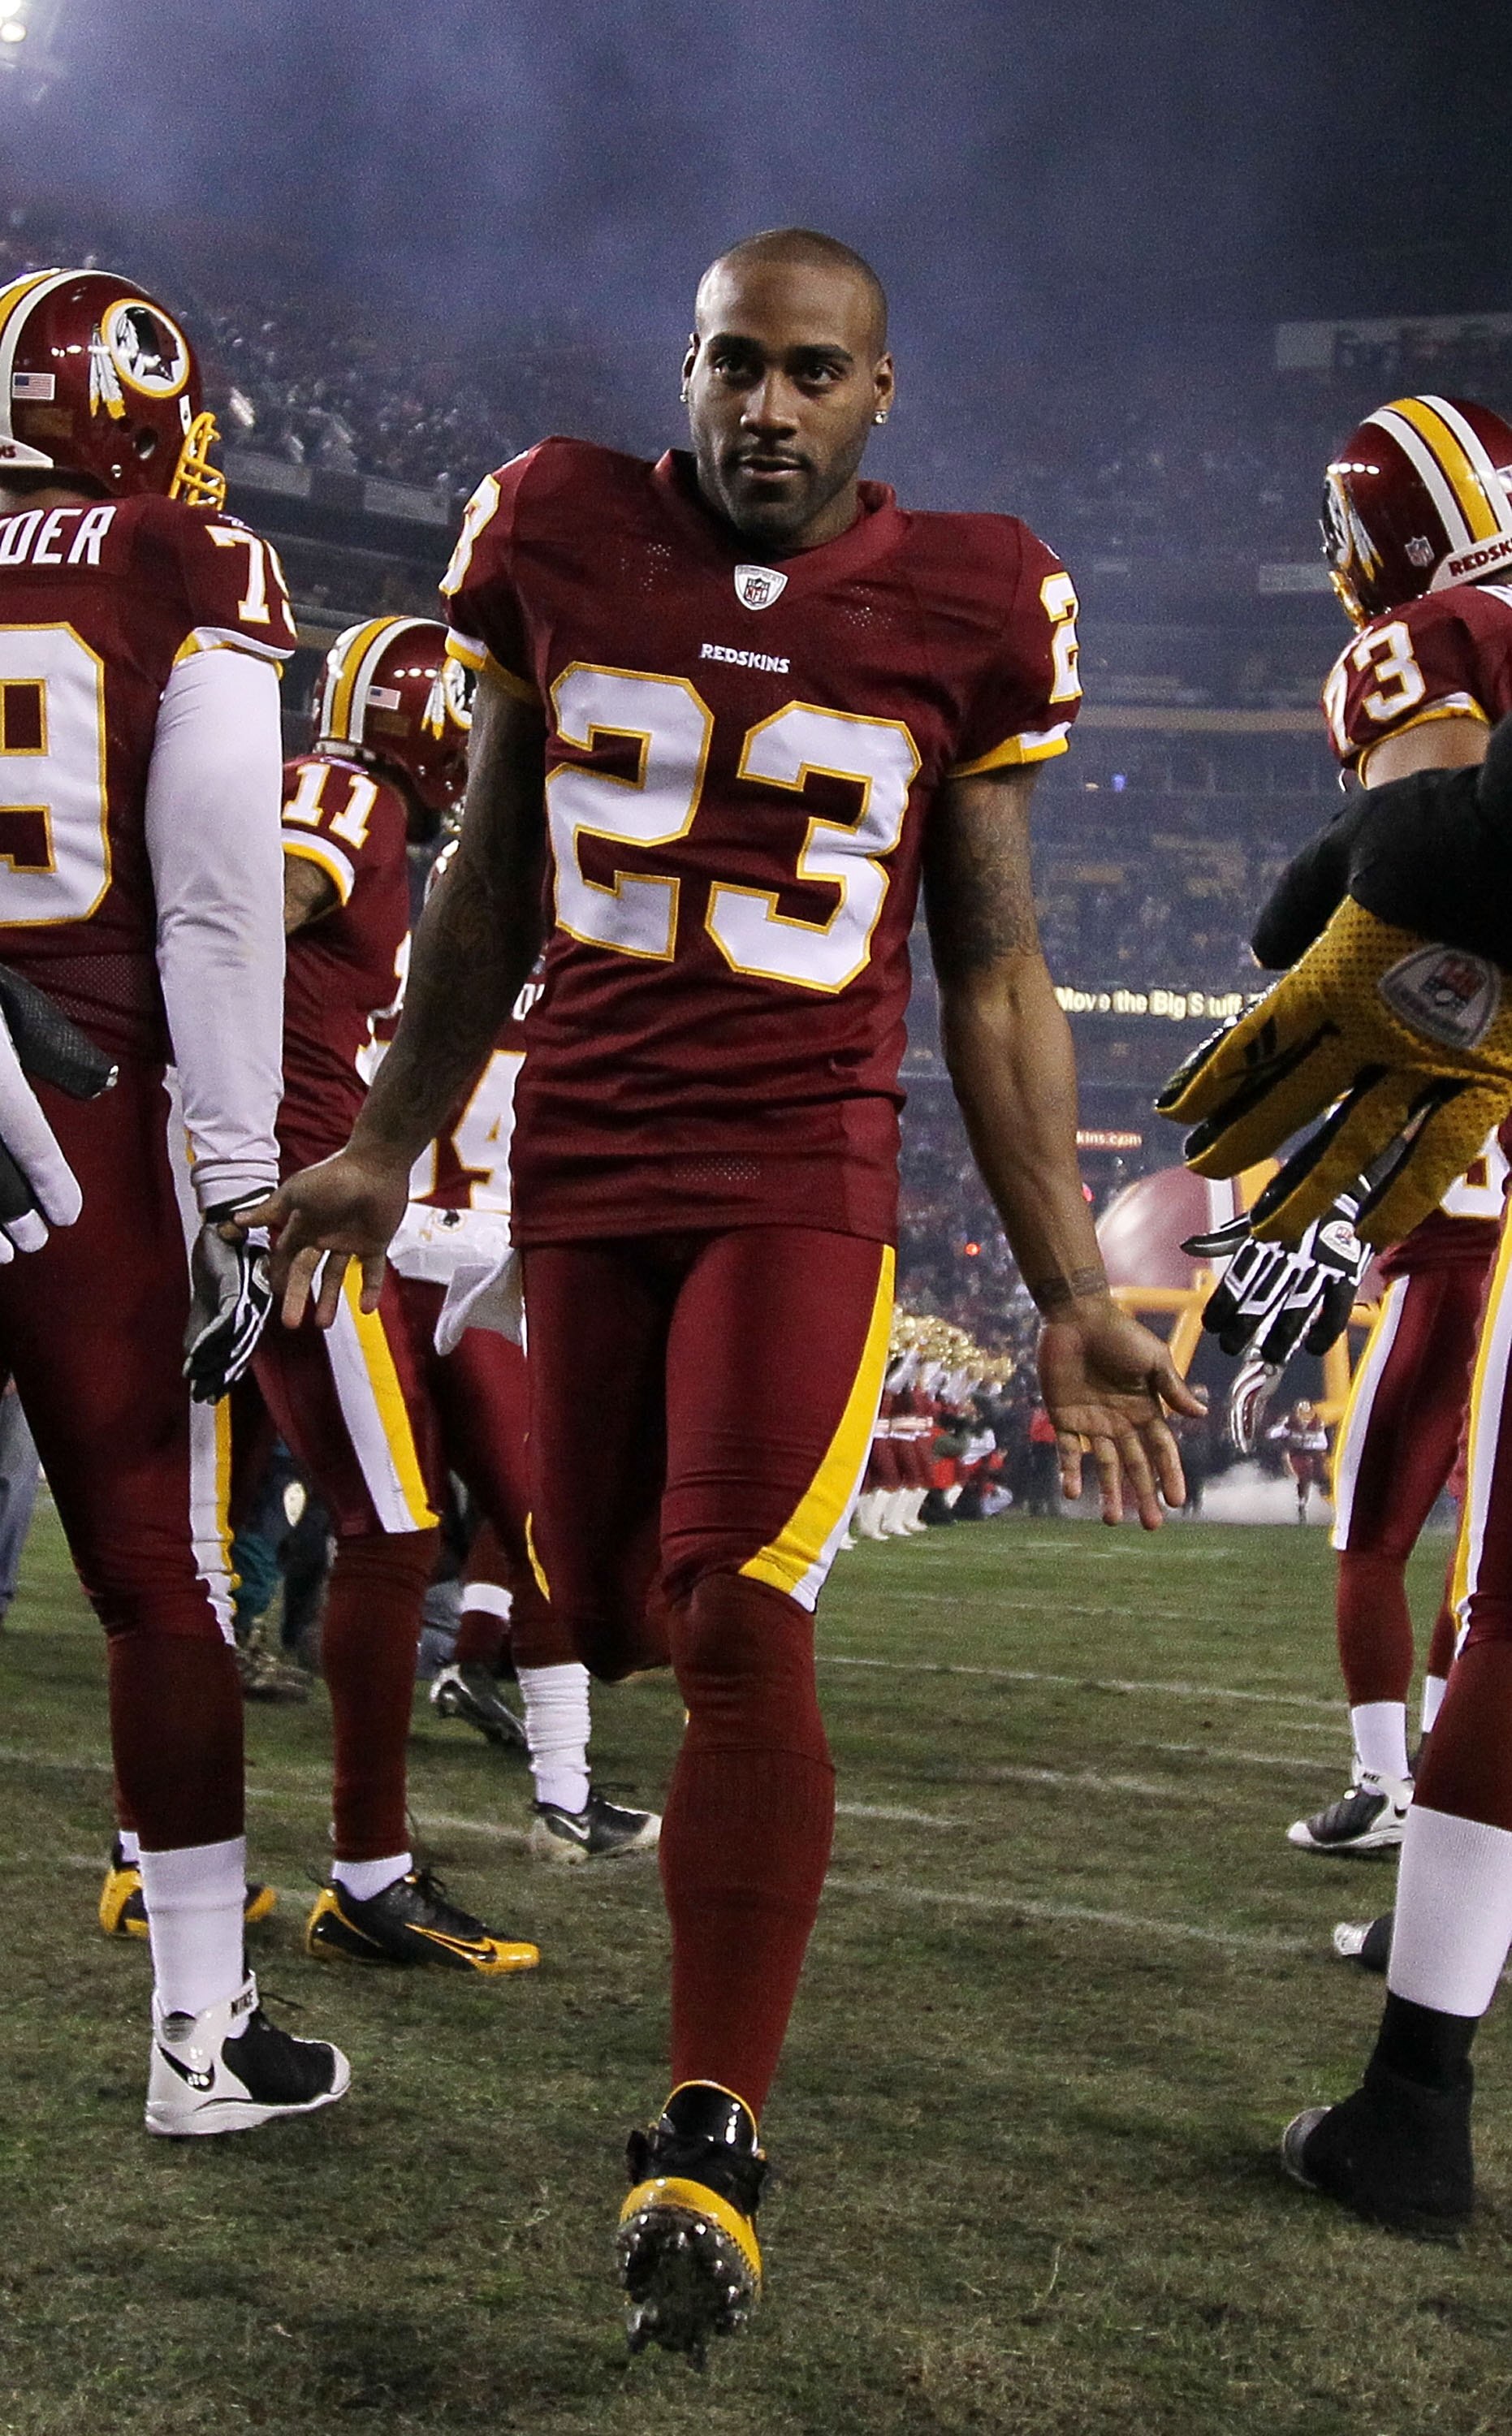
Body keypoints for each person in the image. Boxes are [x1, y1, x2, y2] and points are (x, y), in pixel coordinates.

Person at [256, 226, 1198, 2352]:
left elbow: (983, 960)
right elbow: (488, 878)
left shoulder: (966, 598)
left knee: (740, 1608)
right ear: (680, 374)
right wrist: (392, 1136)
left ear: (879, 396)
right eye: (727, 366)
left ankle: (707, 2133)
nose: (760, 408)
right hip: (583, 1165)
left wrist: (1060, 1276)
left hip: (799, 1167)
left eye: (804, 372)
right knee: (592, 1601)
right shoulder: (554, 532)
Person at [0, 265, 348, 2132]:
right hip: (87, 1108)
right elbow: (217, 890)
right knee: (152, 1582)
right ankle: (197, 2043)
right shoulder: (187, 556)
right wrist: (235, 1168)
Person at [247, 614, 542, 1974]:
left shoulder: (347, 801)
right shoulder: (343, 794)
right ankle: (370, 1874)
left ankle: (155, 1858)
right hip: (299, 1217)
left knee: (192, 1548)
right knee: (391, 1529)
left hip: (261, 1194)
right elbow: (244, 898)